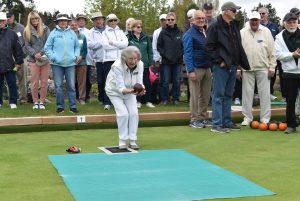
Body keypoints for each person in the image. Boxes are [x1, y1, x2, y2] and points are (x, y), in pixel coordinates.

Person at [205, 2, 250, 133]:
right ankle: (217, 124)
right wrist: (219, 61)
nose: (236, 12)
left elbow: (238, 46)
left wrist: (240, 63)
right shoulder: (214, 27)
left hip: (233, 65)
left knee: (228, 94)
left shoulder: (234, 26)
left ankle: (227, 122)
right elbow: (208, 48)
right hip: (222, 66)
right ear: (225, 11)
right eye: (234, 10)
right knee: (218, 95)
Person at [240, 11, 276, 126]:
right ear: (249, 21)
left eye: (256, 20)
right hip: (246, 68)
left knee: (265, 94)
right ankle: (247, 118)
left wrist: (272, 67)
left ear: (259, 20)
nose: (254, 22)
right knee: (247, 95)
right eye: (252, 20)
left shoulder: (266, 31)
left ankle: (265, 118)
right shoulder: (242, 32)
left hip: (263, 67)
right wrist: (237, 68)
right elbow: (238, 52)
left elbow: (272, 51)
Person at [105, 46, 144, 149]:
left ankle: (132, 140)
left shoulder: (140, 64)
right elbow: (120, 88)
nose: (133, 61)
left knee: (134, 113)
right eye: (130, 58)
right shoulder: (117, 66)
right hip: (114, 92)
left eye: (135, 58)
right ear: (125, 58)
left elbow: (139, 82)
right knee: (123, 114)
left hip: (130, 91)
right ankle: (122, 141)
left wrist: (142, 90)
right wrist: (133, 91)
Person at [44, 13, 80, 113]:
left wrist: (76, 55)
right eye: (61, 21)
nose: (63, 22)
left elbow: (77, 46)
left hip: (70, 64)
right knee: (58, 86)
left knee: (71, 86)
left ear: (67, 22)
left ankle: (72, 106)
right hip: (57, 64)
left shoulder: (72, 33)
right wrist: (53, 57)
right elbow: (47, 48)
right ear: (58, 22)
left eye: (65, 20)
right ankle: (60, 107)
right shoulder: (53, 33)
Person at [183, 10, 212, 129]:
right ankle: (194, 119)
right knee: (194, 95)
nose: (201, 20)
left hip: (207, 67)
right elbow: (187, 54)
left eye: (202, 18)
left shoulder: (205, 32)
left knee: (205, 95)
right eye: (198, 18)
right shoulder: (189, 34)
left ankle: (202, 117)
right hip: (196, 68)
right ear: (193, 20)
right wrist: (190, 70)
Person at [274, 12, 300, 134]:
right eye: (289, 22)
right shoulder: (279, 37)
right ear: (284, 23)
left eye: (294, 22)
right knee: (290, 100)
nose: (292, 24)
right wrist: (292, 55)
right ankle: (291, 125)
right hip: (289, 73)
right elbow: (278, 55)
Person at [24, 11, 50, 110]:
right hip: (33, 59)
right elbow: (27, 46)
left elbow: (48, 43)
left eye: (36, 18)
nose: (34, 20)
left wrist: (41, 53)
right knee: (34, 82)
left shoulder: (45, 28)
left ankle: (42, 102)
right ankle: (35, 102)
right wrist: (35, 54)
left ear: (39, 19)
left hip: (45, 59)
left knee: (44, 82)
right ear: (29, 20)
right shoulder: (26, 31)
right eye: (32, 19)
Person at [102, 13, 128, 110]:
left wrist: (113, 42)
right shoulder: (104, 33)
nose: (113, 22)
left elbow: (125, 44)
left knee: (121, 80)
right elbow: (106, 46)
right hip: (109, 60)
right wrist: (119, 44)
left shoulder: (121, 32)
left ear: (117, 21)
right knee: (109, 81)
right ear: (108, 22)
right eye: (111, 20)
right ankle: (107, 102)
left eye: (114, 20)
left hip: (120, 59)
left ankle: (120, 101)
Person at [127, 20, 155, 108]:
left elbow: (150, 51)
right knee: (136, 83)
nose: (140, 28)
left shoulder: (146, 37)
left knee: (147, 83)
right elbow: (127, 51)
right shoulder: (129, 38)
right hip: (133, 64)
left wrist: (150, 62)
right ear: (133, 28)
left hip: (145, 64)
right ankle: (137, 101)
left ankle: (148, 101)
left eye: (141, 27)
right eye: (138, 27)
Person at [157, 12, 183, 105]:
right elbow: (159, 46)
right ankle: (164, 99)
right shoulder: (162, 32)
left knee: (176, 81)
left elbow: (183, 46)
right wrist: (165, 54)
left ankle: (176, 99)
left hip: (177, 61)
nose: (170, 21)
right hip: (166, 62)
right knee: (165, 81)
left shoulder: (180, 31)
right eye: (169, 19)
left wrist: (180, 54)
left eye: (172, 19)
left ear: (175, 20)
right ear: (166, 21)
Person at [0, 12, 24, 109]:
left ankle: (13, 102)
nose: (0, 22)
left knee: (12, 84)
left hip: (10, 64)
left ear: (6, 21)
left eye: (2, 21)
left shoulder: (12, 34)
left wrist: (18, 63)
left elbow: (18, 50)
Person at [258, 7, 280, 101]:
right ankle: (258, 94)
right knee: (260, 74)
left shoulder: (274, 26)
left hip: (271, 54)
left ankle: (270, 92)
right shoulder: (255, 25)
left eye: (263, 13)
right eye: (260, 14)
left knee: (272, 73)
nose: (261, 15)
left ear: (267, 14)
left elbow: (278, 40)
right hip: (260, 55)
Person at [6, 11, 28, 104]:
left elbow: (26, 42)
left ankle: (23, 99)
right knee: (10, 81)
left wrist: (22, 55)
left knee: (22, 79)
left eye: (9, 17)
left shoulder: (21, 27)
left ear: (13, 17)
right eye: (6, 17)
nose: (8, 19)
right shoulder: (3, 28)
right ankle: (12, 99)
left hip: (21, 58)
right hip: (8, 60)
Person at [87, 11, 106, 105]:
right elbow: (90, 45)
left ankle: (109, 99)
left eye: (100, 19)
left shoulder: (109, 30)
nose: (98, 21)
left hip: (110, 60)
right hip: (99, 60)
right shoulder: (91, 32)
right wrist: (102, 43)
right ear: (94, 21)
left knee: (110, 80)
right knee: (100, 81)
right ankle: (101, 99)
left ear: (103, 20)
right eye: (96, 20)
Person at [70, 19, 88, 105]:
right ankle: (73, 99)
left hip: (82, 63)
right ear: (69, 26)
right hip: (70, 63)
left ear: (78, 26)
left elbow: (85, 49)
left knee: (82, 82)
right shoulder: (67, 36)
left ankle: (81, 99)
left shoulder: (83, 36)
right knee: (72, 82)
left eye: (75, 25)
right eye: (72, 25)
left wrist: (81, 57)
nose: (74, 26)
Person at [76, 13, 93, 103]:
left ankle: (86, 97)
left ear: (85, 21)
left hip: (87, 59)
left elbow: (90, 44)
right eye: (79, 20)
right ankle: (77, 97)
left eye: (83, 19)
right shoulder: (73, 30)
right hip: (75, 60)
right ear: (77, 21)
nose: (81, 21)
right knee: (76, 81)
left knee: (87, 80)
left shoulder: (89, 32)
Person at [152, 14, 167, 103]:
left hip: (169, 60)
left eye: (165, 20)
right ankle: (161, 98)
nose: (163, 22)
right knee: (159, 80)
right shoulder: (156, 32)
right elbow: (154, 47)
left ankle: (165, 97)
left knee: (166, 80)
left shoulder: (170, 31)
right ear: (160, 21)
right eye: (162, 20)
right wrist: (157, 59)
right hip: (160, 60)